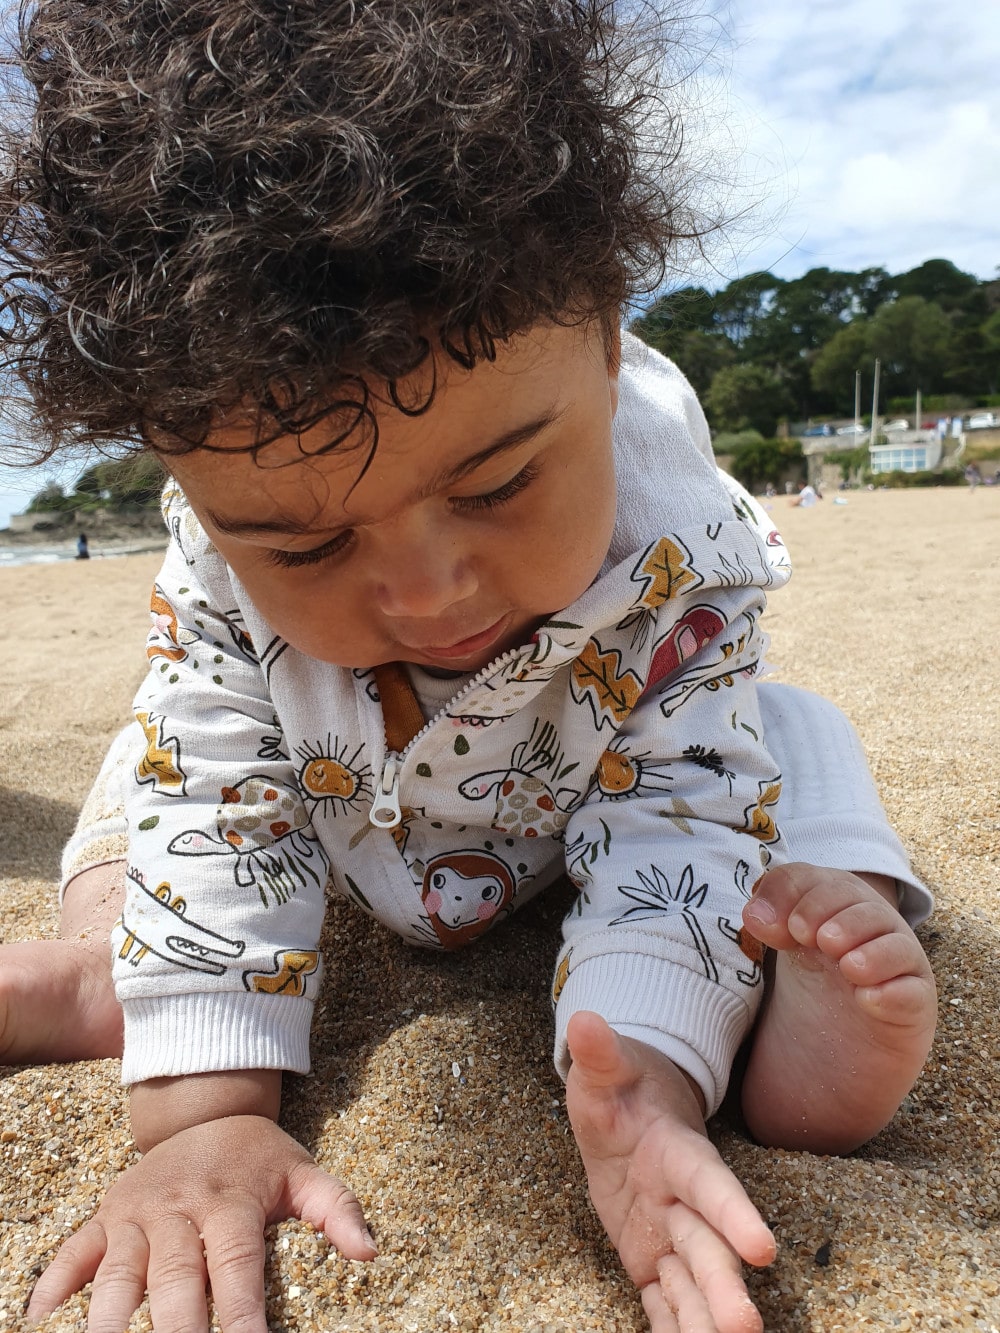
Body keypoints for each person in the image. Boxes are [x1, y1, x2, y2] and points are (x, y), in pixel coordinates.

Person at [0, 3, 937, 1331]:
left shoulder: (682, 563)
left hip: (571, 822)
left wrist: (646, 1088)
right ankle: (120, 963)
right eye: (305, 542)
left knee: (789, 760)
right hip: (323, 823)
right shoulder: (217, 567)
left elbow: (677, 817)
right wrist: (199, 1123)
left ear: (609, 335)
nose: (427, 593)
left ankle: (793, 1035)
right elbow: (216, 800)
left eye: (498, 484)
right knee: (150, 770)